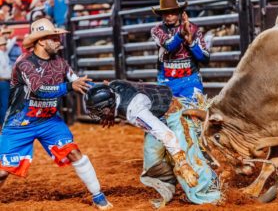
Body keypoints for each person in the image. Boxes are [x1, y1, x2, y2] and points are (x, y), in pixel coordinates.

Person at [0, 18, 113, 210]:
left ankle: (98, 196)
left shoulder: (60, 62)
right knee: (3, 172)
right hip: (20, 122)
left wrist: (101, 88)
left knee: (74, 152)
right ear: (42, 41)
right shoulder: (24, 63)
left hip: (49, 121)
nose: (59, 40)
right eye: (54, 37)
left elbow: (78, 81)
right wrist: (70, 86)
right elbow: (39, 89)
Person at [84, 80, 220, 207]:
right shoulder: (112, 88)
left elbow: (166, 134)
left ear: (108, 106)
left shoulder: (134, 111)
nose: (97, 114)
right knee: (153, 164)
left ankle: (209, 192)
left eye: (99, 110)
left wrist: (182, 163)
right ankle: (170, 189)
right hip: (156, 115)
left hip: (173, 114)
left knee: (188, 159)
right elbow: (102, 86)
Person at [151, 0, 210, 101]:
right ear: (162, 15)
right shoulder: (157, 30)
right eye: (165, 13)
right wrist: (181, 34)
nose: (169, 16)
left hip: (190, 82)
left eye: (173, 12)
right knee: (166, 115)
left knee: (191, 114)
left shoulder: (193, 29)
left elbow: (205, 58)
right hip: (166, 82)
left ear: (179, 13)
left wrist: (191, 43)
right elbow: (168, 46)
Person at [0, 37, 11, 130]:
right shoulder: (2, 55)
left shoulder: (4, 54)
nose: (4, 46)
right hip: (3, 81)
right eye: (2, 45)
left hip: (4, 81)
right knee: (5, 104)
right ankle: (4, 125)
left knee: (3, 104)